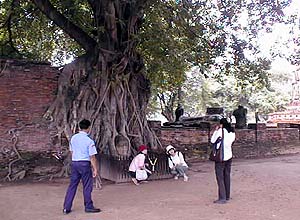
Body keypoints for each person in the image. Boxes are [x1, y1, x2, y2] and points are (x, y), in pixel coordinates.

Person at [63, 119, 101, 214]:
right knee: (87, 186)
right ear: (89, 128)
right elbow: (92, 157)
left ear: (79, 127)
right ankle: (88, 206)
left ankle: (66, 207)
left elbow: (71, 151)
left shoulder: (73, 138)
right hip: (84, 164)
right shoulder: (89, 141)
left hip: (75, 163)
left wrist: (75, 160)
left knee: (72, 185)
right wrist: (95, 169)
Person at [211, 118, 236, 204]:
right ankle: (227, 195)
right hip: (229, 156)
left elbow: (212, 140)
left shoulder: (220, 131)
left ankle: (222, 197)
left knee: (220, 177)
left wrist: (216, 131)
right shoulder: (232, 132)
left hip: (220, 157)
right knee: (227, 176)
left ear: (221, 124)